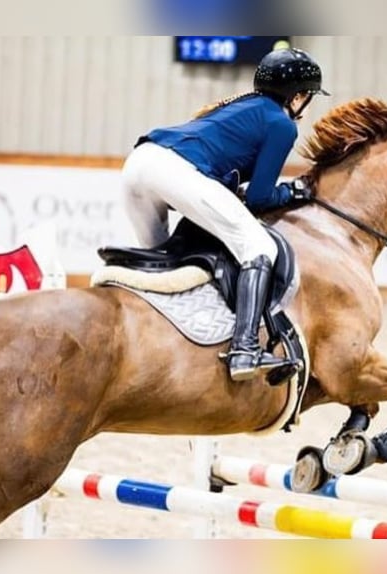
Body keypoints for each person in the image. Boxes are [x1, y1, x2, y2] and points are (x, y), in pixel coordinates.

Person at [122, 47, 329, 382]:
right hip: (175, 171)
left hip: (138, 164)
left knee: (163, 266)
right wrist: (293, 191)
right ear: (298, 96)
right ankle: (245, 349)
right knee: (260, 248)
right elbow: (261, 197)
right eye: (307, 96)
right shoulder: (281, 124)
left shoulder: (239, 105)